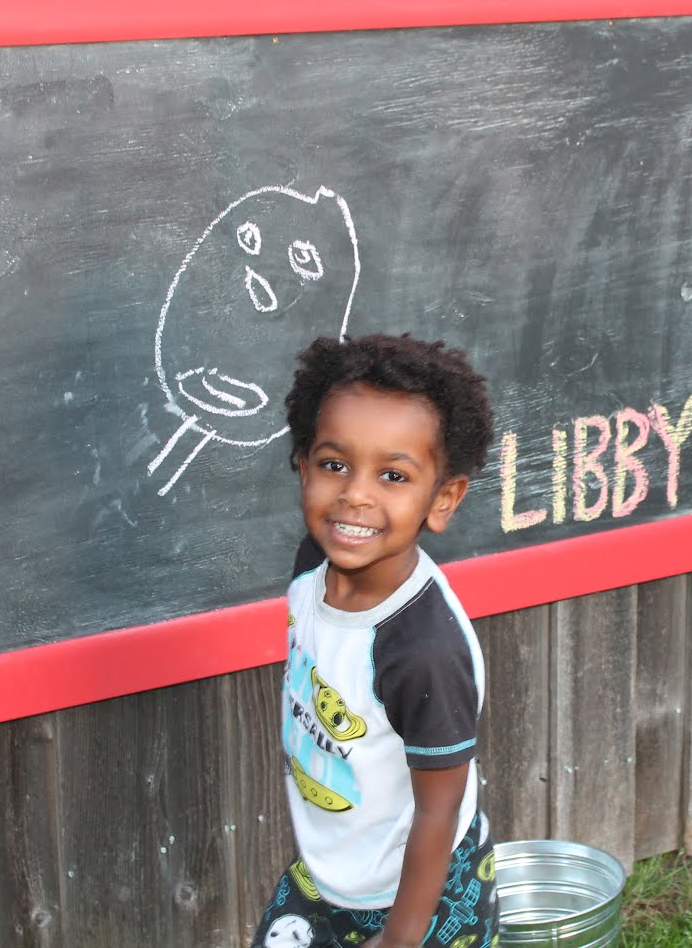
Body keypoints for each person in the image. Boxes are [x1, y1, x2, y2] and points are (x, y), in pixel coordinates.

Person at [251, 333, 499, 948]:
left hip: (420, 895)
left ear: (441, 499)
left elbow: (438, 813)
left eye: (393, 475)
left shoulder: (422, 650)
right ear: (302, 467)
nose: (355, 494)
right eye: (335, 464)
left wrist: (400, 940)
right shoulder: (315, 564)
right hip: (329, 876)